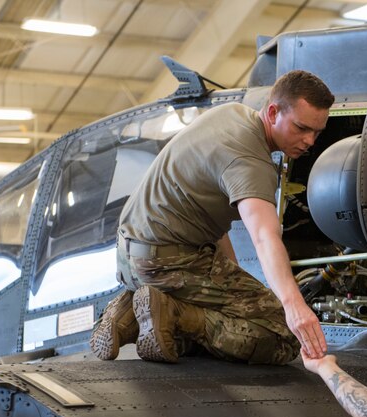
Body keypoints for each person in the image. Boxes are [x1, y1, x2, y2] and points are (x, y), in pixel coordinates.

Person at [90, 70, 333, 364]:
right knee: (281, 334)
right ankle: (174, 316)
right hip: (166, 260)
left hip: (130, 255)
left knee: (232, 307)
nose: (309, 141)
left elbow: (212, 220)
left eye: (317, 133)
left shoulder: (233, 114)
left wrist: (233, 287)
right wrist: (295, 307)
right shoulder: (250, 161)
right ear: (272, 112)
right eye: (301, 128)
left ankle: (128, 316)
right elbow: (264, 236)